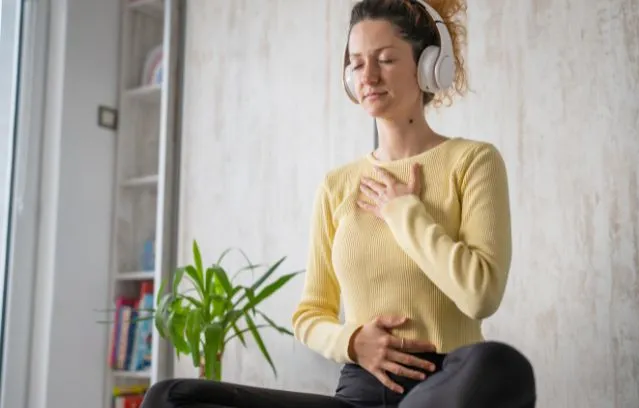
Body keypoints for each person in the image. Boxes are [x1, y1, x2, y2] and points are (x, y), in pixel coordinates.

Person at [140, 0, 535, 407]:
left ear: (428, 65)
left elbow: (481, 295)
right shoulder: (337, 185)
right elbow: (310, 314)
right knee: (170, 397)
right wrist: (352, 341)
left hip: (446, 386)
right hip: (359, 393)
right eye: (357, 64)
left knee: (502, 366)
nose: (369, 76)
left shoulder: (472, 161)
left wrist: (403, 213)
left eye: (385, 60)